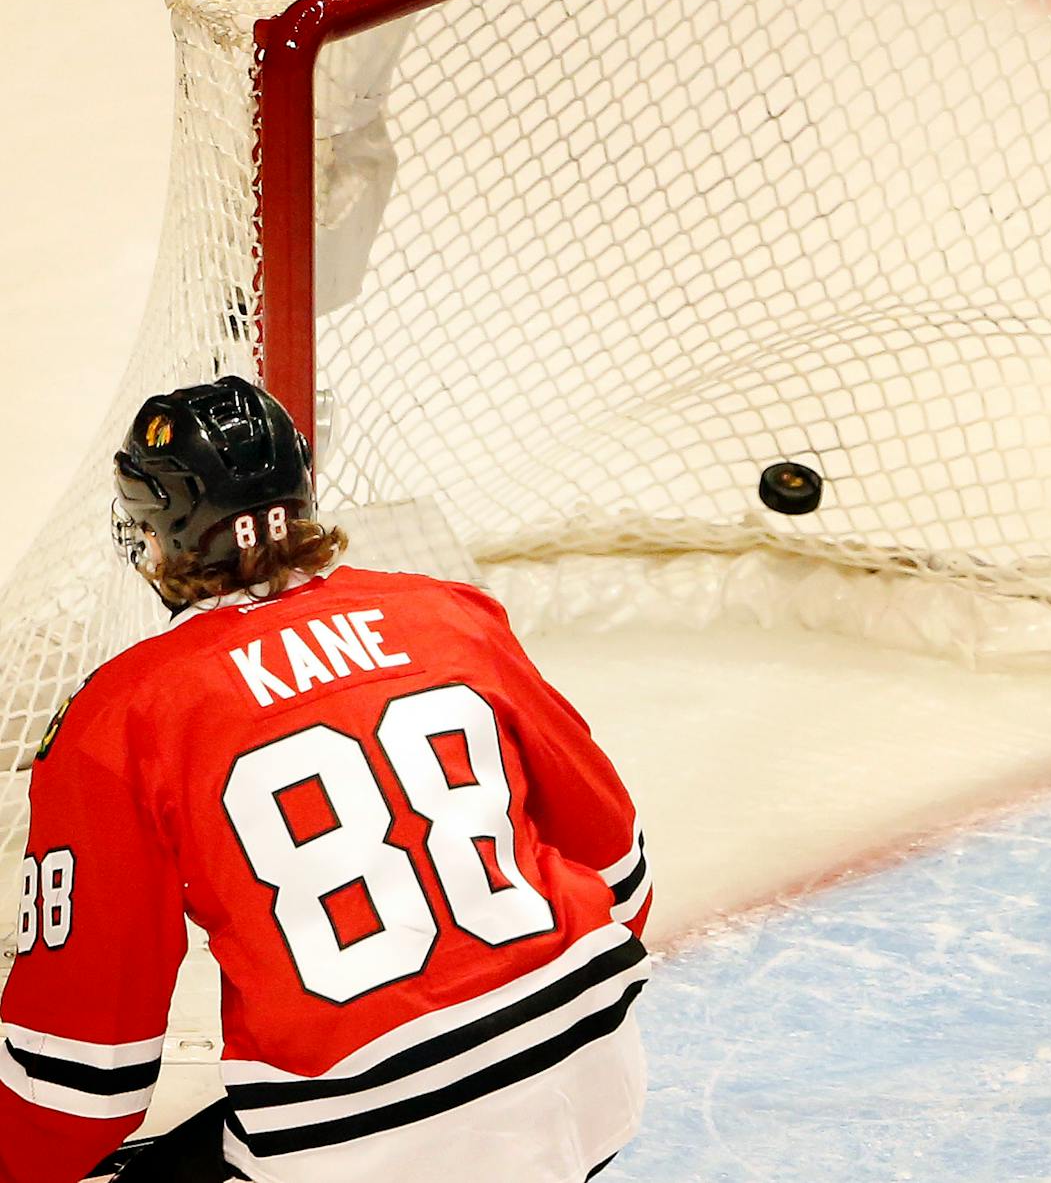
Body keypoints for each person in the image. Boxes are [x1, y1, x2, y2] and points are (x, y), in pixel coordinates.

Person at [0, 376, 651, 1182]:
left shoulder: (118, 715)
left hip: (365, 1142)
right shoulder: (451, 614)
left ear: (161, 533)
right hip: (593, 1069)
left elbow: (80, 1082)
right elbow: (621, 870)